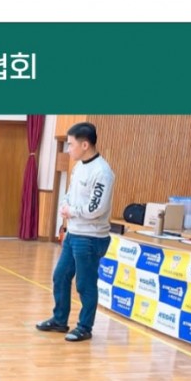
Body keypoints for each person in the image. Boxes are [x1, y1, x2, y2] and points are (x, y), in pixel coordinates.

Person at [36, 122, 115, 342]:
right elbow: (70, 193)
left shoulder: (102, 173)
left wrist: (72, 211)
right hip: (74, 234)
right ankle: (59, 320)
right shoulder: (80, 166)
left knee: (84, 284)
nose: (68, 149)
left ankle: (85, 327)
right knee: (60, 275)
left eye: (71, 145)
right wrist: (65, 205)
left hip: (90, 238)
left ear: (85, 145)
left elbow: (96, 209)